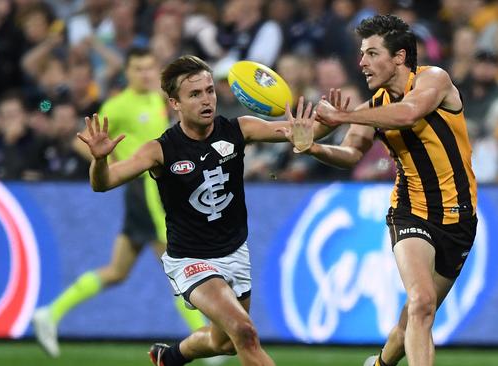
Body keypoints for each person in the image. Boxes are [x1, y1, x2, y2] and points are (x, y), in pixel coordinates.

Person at [76, 55, 333, 366]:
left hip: (235, 252)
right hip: (191, 259)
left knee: (222, 342)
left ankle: (170, 357)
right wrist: (100, 160)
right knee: (245, 332)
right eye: (194, 94)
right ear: (175, 103)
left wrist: (325, 123)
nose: (206, 100)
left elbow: (304, 135)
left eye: (209, 90)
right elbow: (103, 184)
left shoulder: (240, 129)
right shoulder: (160, 150)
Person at [301, 15, 478, 366]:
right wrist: (314, 148)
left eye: (371, 53)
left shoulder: (434, 80)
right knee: (422, 303)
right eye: (362, 54)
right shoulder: (372, 108)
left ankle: (380, 364)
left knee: (410, 320)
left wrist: (342, 118)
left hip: (459, 220)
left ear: (398, 57)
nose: (362, 63)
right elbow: (351, 154)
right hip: (410, 212)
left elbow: (409, 113)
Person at [31, 47, 206, 357]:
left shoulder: (156, 98)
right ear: (127, 72)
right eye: (138, 68)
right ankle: (204, 339)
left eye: (150, 67)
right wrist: (115, 167)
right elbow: (82, 140)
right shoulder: (119, 104)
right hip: (145, 191)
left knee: (118, 270)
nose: (145, 73)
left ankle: (51, 313)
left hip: (157, 190)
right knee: (177, 265)